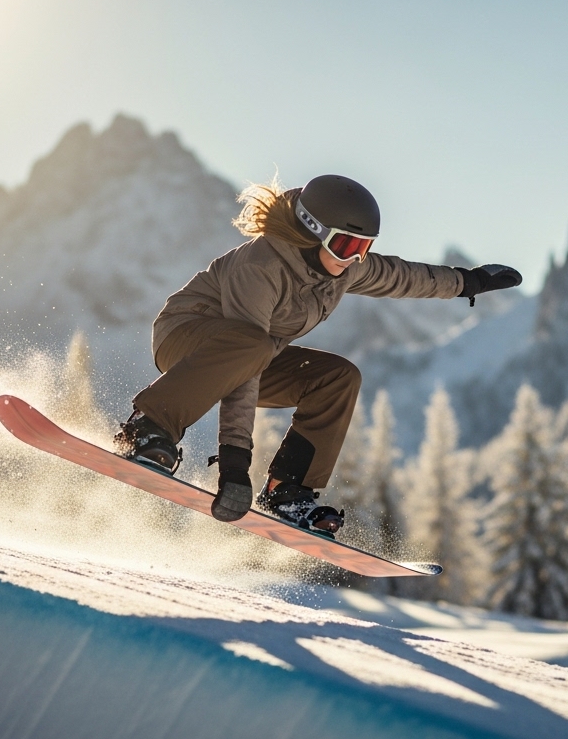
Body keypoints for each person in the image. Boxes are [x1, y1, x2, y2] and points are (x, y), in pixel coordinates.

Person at [114, 175, 521, 538]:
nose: (353, 259)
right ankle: (148, 428)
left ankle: (289, 490)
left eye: (363, 248)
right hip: (186, 338)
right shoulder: (261, 265)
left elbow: (404, 276)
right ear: (313, 232)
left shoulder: (343, 268)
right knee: (252, 344)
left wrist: (472, 281)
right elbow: (243, 369)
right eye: (345, 245)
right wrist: (235, 466)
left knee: (338, 377)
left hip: (251, 356)